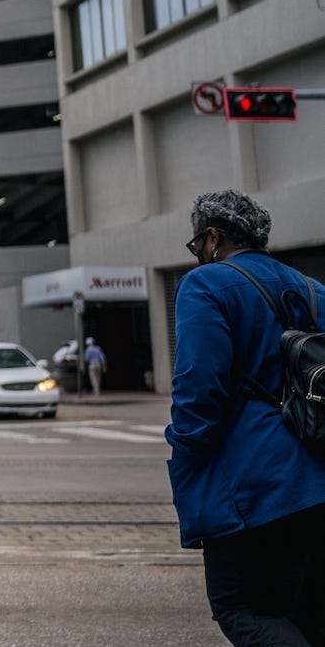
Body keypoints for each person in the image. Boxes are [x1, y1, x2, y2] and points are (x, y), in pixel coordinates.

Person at [167, 188, 325, 643]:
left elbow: (199, 390)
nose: (199, 255)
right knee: (308, 615)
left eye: (197, 246)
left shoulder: (205, 284)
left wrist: (183, 446)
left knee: (240, 608)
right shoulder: (311, 288)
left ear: (212, 238)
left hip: (252, 485)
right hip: (317, 472)